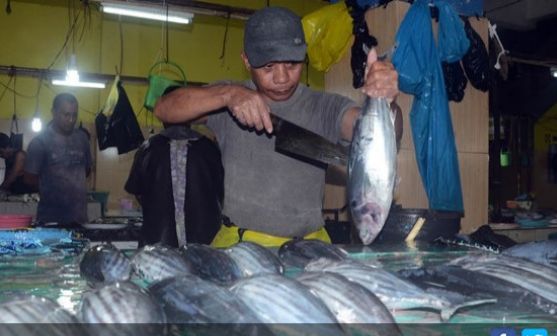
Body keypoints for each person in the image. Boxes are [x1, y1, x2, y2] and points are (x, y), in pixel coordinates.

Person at [154, 6, 402, 248]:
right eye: (268, 67)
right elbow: (164, 108)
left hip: (309, 248)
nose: (282, 78)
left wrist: (386, 103)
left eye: (292, 64)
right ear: (247, 60)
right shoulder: (227, 100)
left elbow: (385, 132)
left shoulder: (324, 106)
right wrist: (227, 95)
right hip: (242, 246)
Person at [125, 86, 224, 247]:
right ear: (192, 113)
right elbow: (221, 194)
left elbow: (137, 191)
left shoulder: (148, 148)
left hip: (158, 247)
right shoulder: (209, 149)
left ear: (164, 114)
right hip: (203, 247)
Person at [23, 93, 92, 225]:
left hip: (80, 218)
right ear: (54, 112)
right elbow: (29, 178)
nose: (71, 120)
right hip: (50, 219)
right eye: (66, 115)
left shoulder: (82, 139)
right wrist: (53, 188)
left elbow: (87, 170)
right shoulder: (40, 142)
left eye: (74, 115)